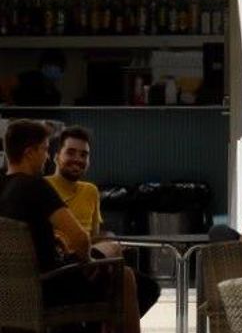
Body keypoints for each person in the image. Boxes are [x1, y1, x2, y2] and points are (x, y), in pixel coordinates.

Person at [0, 119, 175, 333]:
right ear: (29, 152)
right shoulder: (36, 187)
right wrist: (88, 262)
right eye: (45, 149)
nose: (46, 156)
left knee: (114, 260)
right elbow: (80, 237)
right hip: (51, 285)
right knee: (124, 273)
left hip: (15, 290)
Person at [45, 126, 161, 316]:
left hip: (91, 262)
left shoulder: (90, 191)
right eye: (71, 152)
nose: (78, 159)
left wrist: (110, 242)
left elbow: (94, 236)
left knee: (149, 288)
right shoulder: (44, 187)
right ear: (57, 156)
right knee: (123, 281)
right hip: (62, 266)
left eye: (84, 155)